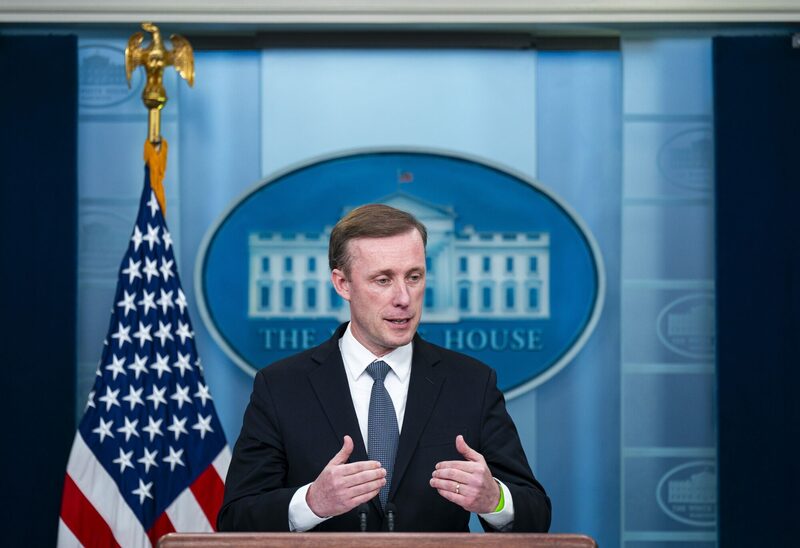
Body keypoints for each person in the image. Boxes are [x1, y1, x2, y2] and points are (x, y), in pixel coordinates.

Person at [218, 204, 551, 533]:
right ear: (342, 284)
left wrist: (495, 499)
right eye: (383, 280)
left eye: (414, 277)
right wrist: (311, 503)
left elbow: (535, 514)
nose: (404, 298)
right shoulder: (281, 387)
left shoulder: (472, 383)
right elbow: (235, 520)